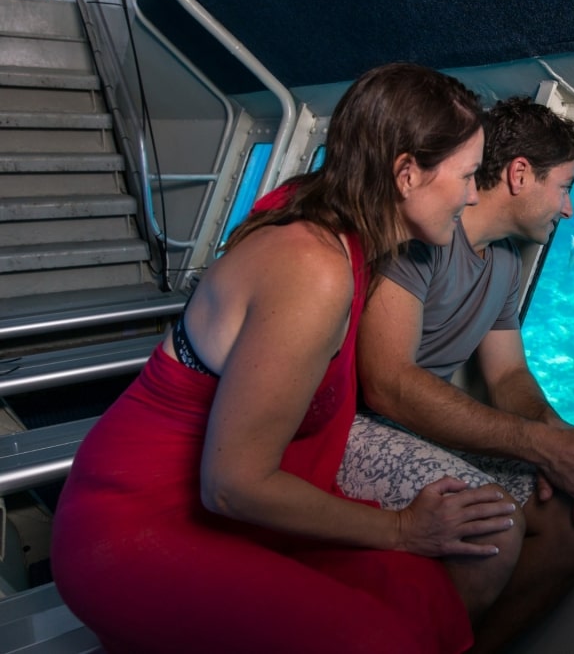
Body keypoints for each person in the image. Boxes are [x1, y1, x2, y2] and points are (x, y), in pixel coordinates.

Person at [50, 63, 519, 654]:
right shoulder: (312, 269)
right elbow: (232, 485)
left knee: (419, 590)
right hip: (135, 521)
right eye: (469, 175)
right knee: (374, 639)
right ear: (406, 174)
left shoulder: (337, 221)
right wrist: (402, 527)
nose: (474, 195)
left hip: (217, 501)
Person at [339, 96, 574, 652]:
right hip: (358, 422)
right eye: (564, 187)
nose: (567, 209)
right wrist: (540, 448)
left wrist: (568, 448)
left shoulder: (506, 262)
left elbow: (509, 378)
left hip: (417, 427)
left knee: (573, 517)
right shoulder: (422, 238)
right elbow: (389, 384)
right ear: (520, 174)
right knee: (493, 527)